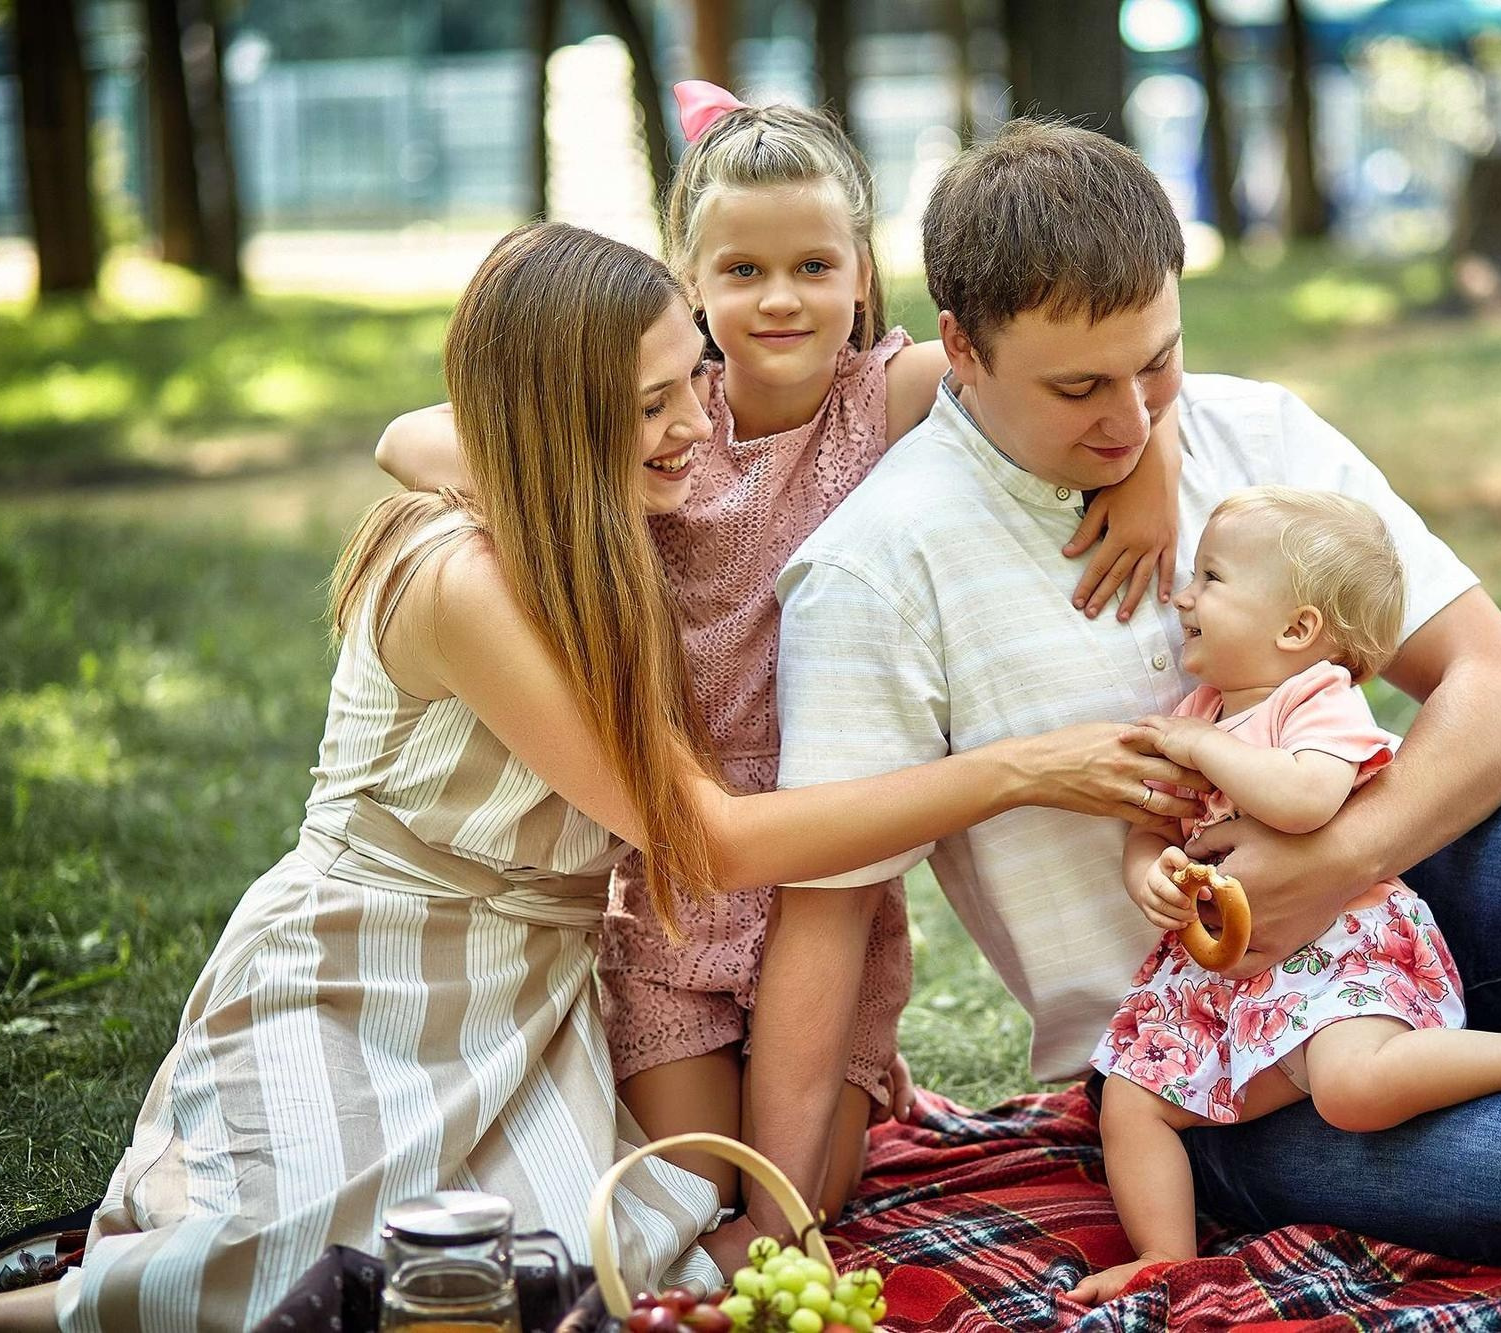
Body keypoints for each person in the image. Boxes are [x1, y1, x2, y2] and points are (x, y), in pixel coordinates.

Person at [752, 119, 1501, 1269]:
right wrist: (770, 1229)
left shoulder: (1249, 434)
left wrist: (1335, 862)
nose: (1130, 420)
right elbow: (824, 913)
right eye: (1079, 390)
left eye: (1157, 360)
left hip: (1405, 900)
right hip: (1206, 1056)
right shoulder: (875, 570)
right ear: (960, 349)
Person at [0, 222, 1204, 1333]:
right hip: (365, 977)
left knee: (558, 1274)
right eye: (653, 404)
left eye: (691, 381)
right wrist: (1015, 771)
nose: (698, 427)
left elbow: (1028, 372)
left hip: (526, 996)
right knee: (271, 1282)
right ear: (557, 419)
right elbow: (708, 841)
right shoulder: (462, 577)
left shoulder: (589, 519)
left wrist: (1145, 454)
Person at [372, 84, 1184, 1246]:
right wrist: (544, 464)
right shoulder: (659, 416)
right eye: (742, 271)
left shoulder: (889, 394)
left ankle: (828, 1093)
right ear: (688, 283)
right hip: (674, 853)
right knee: (696, 1185)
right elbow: (405, 438)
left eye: (812, 265)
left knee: (818, 1193)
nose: (781, 298)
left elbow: (1103, 358)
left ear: (858, 270)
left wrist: (1148, 470)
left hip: (828, 848)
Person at [1077, 488, 1501, 1304]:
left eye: (1210, 578)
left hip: (1338, 953)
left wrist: (1203, 747)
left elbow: (1305, 799)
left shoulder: (1316, 700)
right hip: (1228, 984)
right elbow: (1151, 827)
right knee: (1130, 1100)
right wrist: (1149, 874)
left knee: (1350, 1088)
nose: (1183, 598)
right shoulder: (1196, 712)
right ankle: (1167, 1255)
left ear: (1296, 628)